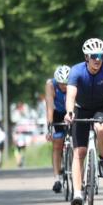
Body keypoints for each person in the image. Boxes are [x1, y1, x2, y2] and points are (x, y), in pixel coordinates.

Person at [64, 37, 103, 205]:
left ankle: (102, 159)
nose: (97, 59)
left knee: (101, 128)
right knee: (79, 152)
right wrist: (69, 112)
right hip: (80, 109)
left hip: (101, 107)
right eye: (94, 55)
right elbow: (71, 95)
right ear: (86, 57)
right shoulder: (76, 71)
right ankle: (77, 194)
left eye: (101, 55)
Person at [45, 65, 71, 193]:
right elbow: (50, 106)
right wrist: (49, 128)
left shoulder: (75, 83)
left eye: (66, 83)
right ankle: (57, 179)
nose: (64, 86)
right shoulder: (51, 85)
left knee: (78, 145)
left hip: (72, 112)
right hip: (58, 114)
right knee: (57, 144)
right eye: (61, 83)